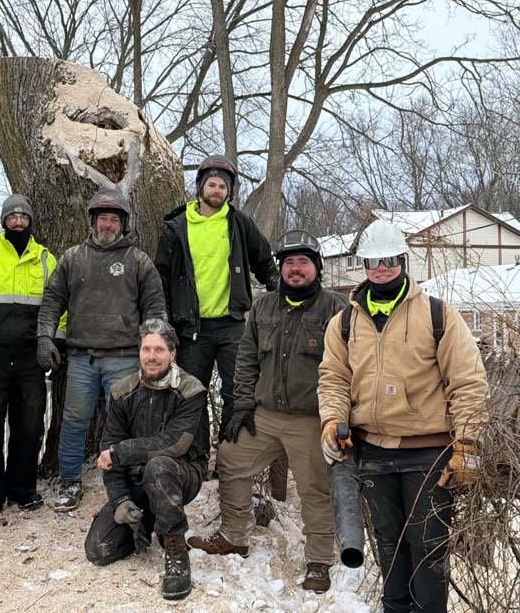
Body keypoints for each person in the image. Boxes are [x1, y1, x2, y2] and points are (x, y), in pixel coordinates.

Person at [318, 219, 488, 613]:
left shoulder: (437, 316)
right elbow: (332, 380)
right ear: (363, 265)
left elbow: (468, 382)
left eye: (390, 260)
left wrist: (468, 443)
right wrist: (332, 419)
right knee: (388, 542)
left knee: (428, 545)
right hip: (372, 452)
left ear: (403, 260)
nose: (382, 268)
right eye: (373, 261)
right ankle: (395, 608)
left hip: (428, 454)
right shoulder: (343, 323)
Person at [189, 230, 347, 592]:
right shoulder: (262, 307)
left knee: (315, 490)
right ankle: (234, 535)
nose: (295, 269)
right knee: (230, 459)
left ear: (317, 268)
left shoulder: (337, 309)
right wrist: (242, 404)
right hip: (266, 414)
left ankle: (319, 561)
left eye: (303, 262)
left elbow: (351, 366)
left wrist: (340, 415)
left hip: (313, 419)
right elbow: (246, 360)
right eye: (289, 262)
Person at [36, 189, 167, 512]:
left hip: (124, 358)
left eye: (114, 219)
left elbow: (155, 309)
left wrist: (156, 352)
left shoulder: (137, 261)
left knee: (128, 423)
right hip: (81, 357)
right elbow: (52, 300)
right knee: (74, 420)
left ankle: (129, 482)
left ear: (124, 225)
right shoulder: (72, 258)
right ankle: (69, 481)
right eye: (102, 219)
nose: (107, 225)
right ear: (92, 222)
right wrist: (44, 337)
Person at [155, 154, 279, 460]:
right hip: (190, 328)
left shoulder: (239, 224)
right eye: (211, 184)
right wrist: (165, 324)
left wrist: (286, 290)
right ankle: (195, 458)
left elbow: (265, 264)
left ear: (229, 192)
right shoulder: (176, 227)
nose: (217, 190)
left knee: (237, 391)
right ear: (199, 186)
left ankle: (229, 456)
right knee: (190, 393)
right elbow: (161, 279)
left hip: (231, 324)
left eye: (223, 186)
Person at [0, 194, 64, 520]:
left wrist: (57, 343)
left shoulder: (47, 260)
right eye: (12, 217)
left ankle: (23, 490)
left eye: (23, 217)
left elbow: (60, 308)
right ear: (4, 221)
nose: (18, 222)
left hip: (31, 357)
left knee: (29, 427)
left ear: (31, 221)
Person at [85, 319, 206, 601]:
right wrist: (119, 499)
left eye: (159, 350)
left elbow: (175, 443)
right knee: (99, 549)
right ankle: (148, 517)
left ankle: (175, 550)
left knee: (159, 465)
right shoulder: (122, 391)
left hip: (180, 475)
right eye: (146, 349)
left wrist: (121, 452)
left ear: (172, 354)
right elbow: (108, 451)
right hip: (136, 481)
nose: (151, 356)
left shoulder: (191, 390)